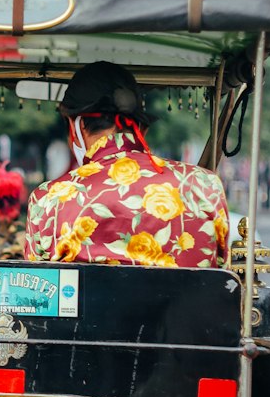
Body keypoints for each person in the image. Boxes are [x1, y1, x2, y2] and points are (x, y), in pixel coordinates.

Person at [24, 61, 230, 267]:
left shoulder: (48, 200)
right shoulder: (204, 185)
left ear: (75, 126)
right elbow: (221, 275)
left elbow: (39, 289)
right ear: (142, 128)